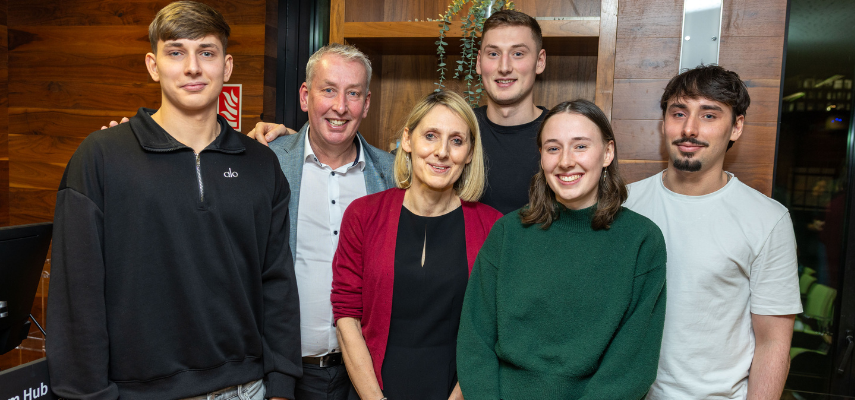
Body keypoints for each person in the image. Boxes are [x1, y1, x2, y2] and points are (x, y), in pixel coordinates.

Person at [47, 2, 300, 399]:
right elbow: (77, 296)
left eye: (206, 52)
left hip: (246, 389)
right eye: (176, 52)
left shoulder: (261, 165)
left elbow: (278, 284)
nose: (192, 68)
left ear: (227, 66)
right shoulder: (101, 157)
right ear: (154, 65)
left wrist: (282, 385)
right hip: (137, 393)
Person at [457, 99, 667, 399]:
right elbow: (475, 341)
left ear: (607, 153)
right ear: (542, 156)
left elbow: (633, 365)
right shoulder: (507, 233)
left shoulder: (642, 240)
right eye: (553, 148)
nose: (565, 161)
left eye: (580, 146)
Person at [245, 9, 547, 215]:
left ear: (540, 61)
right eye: (493, 53)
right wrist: (295, 140)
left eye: (518, 53)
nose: (504, 66)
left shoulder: (558, 138)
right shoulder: (459, 128)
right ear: (479, 62)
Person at [623, 65, 802, 399]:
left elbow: (773, 342)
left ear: (736, 127)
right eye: (679, 113)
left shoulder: (768, 219)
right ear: (663, 123)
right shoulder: (624, 205)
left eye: (709, 115)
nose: (689, 129)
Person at [331, 91, 503, 400]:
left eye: (456, 141)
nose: (442, 152)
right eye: (431, 136)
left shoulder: (492, 227)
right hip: (374, 390)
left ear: (469, 153)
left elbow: (494, 328)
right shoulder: (363, 215)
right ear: (408, 140)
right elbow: (347, 315)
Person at [270, 43, 396, 399]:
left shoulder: (393, 176)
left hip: (367, 376)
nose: (340, 107)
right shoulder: (269, 163)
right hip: (285, 375)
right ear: (305, 96)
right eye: (328, 90)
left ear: (366, 104)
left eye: (352, 93)